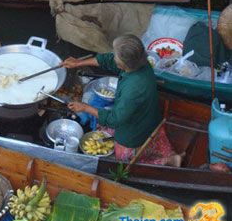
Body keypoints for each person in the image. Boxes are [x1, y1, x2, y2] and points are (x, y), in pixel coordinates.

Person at [63, 34, 181, 166]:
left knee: (124, 158)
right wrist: (78, 63)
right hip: (147, 115)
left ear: (124, 64)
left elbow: (115, 119)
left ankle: (170, 160)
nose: (113, 57)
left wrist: (85, 107)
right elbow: (108, 60)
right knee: (104, 126)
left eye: (116, 56)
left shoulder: (134, 88)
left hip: (135, 130)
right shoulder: (139, 62)